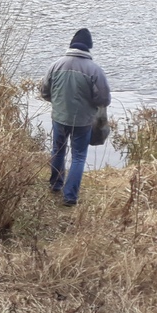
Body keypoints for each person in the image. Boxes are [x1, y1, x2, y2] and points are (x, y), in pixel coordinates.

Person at [39, 27, 111, 207]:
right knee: (78, 156)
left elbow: (44, 91)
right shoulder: (95, 70)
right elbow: (104, 99)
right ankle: (70, 196)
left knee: (58, 151)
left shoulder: (55, 65)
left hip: (59, 117)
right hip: (83, 121)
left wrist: (58, 104)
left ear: (72, 44)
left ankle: (56, 185)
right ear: (89, 47)